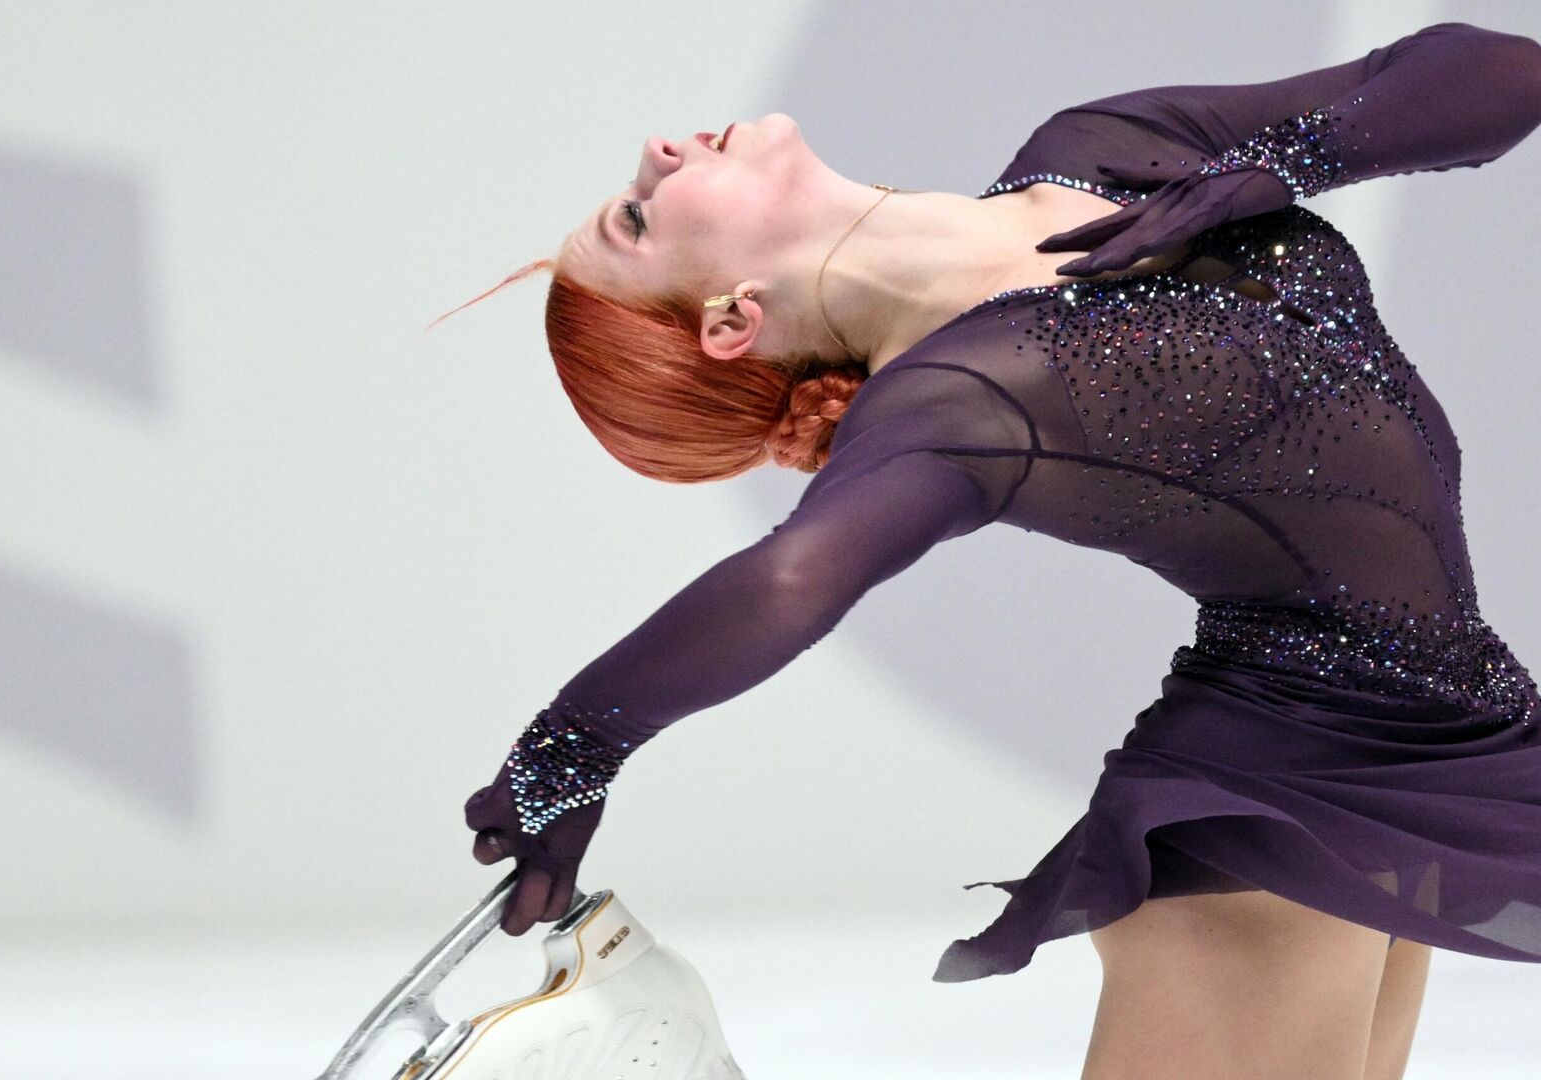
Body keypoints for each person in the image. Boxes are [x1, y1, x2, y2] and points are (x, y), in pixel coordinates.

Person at [435, 20, 1541, 1078]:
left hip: (1423, 748)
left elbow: (1501, 71)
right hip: (1271, 805)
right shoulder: (952, 399)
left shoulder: (1101, 150)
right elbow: (791, 577)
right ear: (732, 318)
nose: (658, 151)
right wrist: (571, 749)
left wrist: (1287, 160)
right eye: (639, 218)